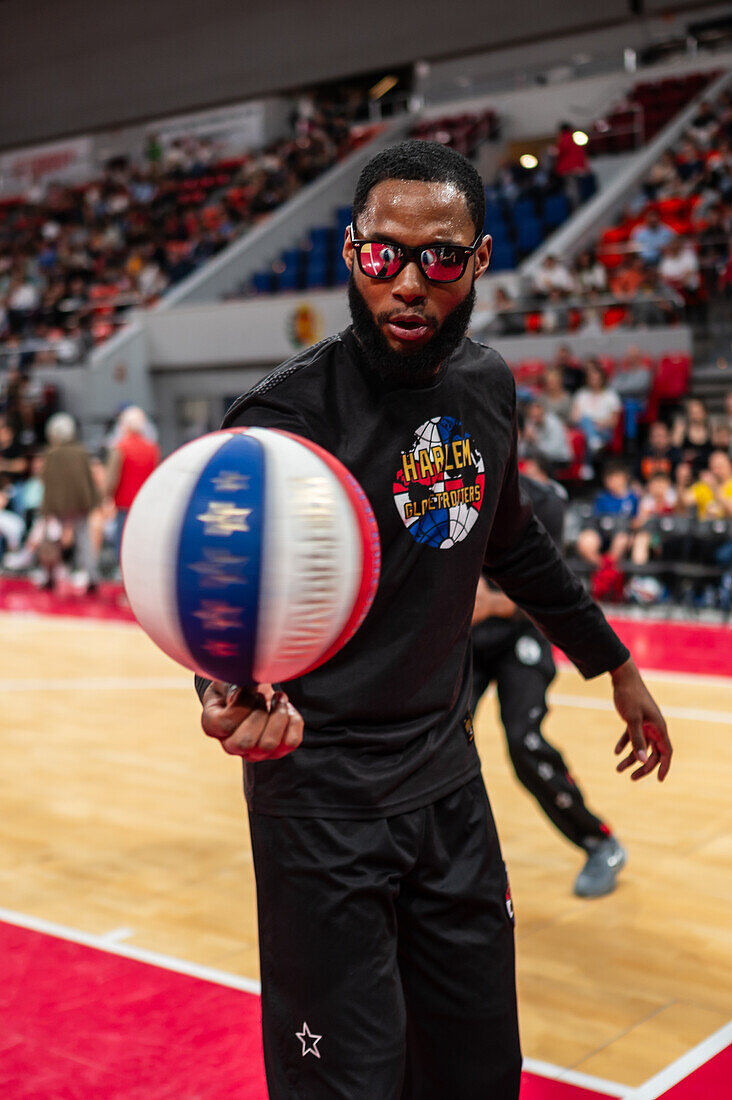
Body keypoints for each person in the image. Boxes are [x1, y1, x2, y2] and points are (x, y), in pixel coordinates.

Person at [195, 141, 671, 1100]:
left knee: (480, 1068)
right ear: (351, 253)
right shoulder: (280, 421)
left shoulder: (487, 390)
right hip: (318, 799)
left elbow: (515, 541)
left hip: (446, 783)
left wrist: (611, 661)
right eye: (385, 257)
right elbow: (221, 599)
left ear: (480, 259)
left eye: (439, 258)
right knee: (349, 1085)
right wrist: (220, 692)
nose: (409, 283)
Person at [471, 451, 625, 897]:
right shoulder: (450, 490)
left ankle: (600, 842)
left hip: (522, 633)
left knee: (525, 744)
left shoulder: (545, 502)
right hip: (467, 640)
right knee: (439, 741)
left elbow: (551, 591)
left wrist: (492, 604)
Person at [105, 405, 160, 558]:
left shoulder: (120, 448)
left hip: (124, 503)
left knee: (123, 543)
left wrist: (106, 496)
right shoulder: (152, 448)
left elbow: (111, 479)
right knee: (142, 542)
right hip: (145, 503)